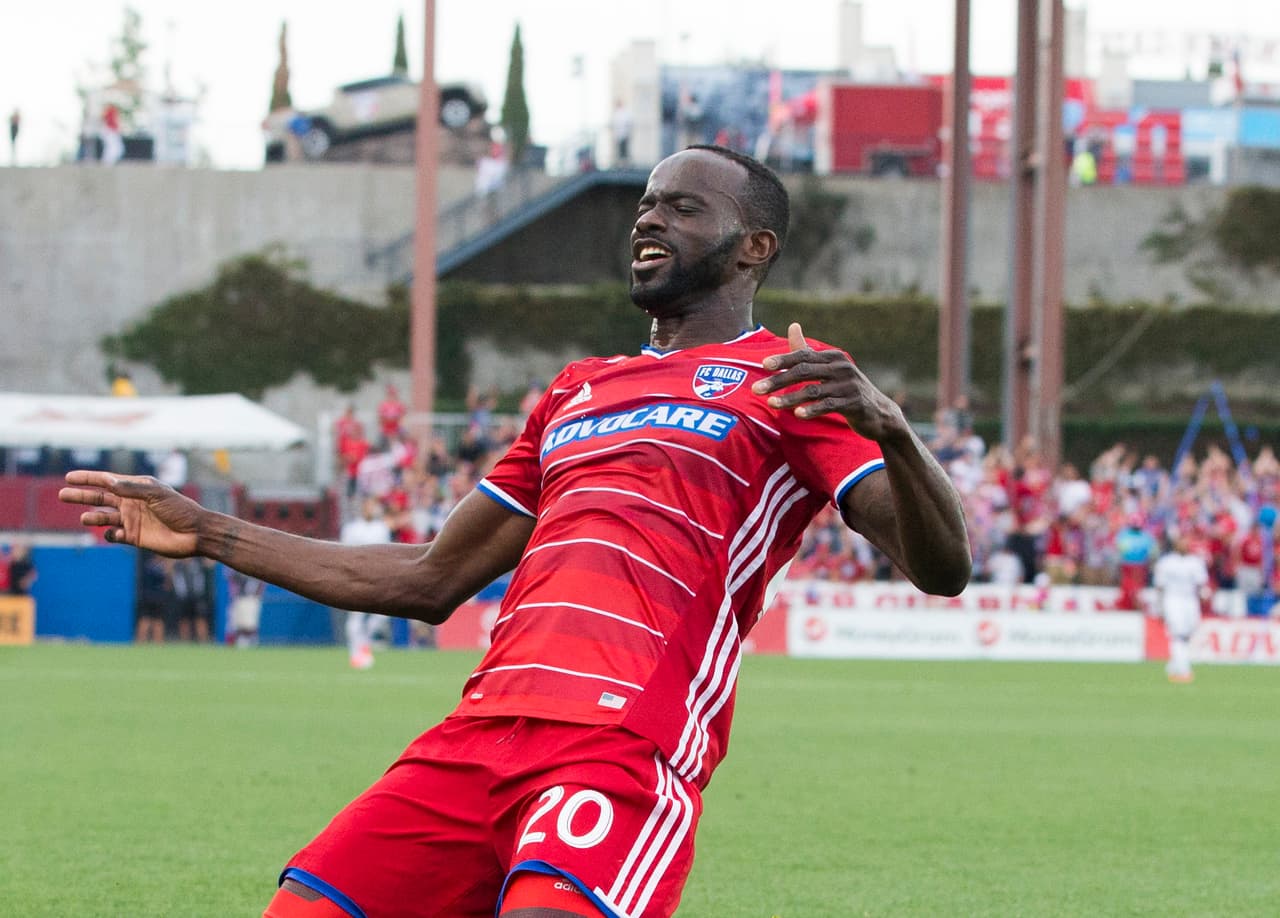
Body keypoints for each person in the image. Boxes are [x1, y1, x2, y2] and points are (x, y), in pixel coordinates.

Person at [59, 145, 971, 918]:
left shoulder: (793, 379)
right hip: (473, 739)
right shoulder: (576, 389)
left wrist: (894, 429)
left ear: (753, 248)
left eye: (683, 208)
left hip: (617, 747)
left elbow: (943, 567)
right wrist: (212, 531)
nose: (648, 221)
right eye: (645, 205)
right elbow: (426, 578)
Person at [338, 497, 393, 669]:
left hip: (377, 578)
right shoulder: (352, 529)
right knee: (356, 617)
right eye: (368, 506)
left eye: (373, 507)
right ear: (362, 508)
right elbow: (344, 553)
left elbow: (386, 553)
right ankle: (355, 653)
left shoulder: (382, 528)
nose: (371, 510)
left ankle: (364, 643)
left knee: (382, 615)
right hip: (357, 577)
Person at [1153, 534, 1209, 683]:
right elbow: (1160, 586)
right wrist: (1159, 606)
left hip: (1190, 600)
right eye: (1181, 540)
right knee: (1178, 634)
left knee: (1189, 632)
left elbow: (1201, 584)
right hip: (1172, 599)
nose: (1184, 543)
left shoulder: (1195, 562)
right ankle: (1184, 670)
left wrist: (1204, 596)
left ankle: (1174, 664)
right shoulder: (1166, 562)